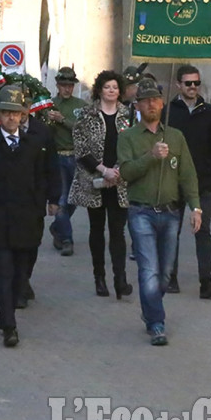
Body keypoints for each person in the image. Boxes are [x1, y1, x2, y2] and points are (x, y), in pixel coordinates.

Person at [0, 85, 59, 347]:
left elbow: (45, 174)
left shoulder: (34, 144)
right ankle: (8, 323)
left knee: (22, 271)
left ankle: (9, 308)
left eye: (15, 113)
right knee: (2, 273)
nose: (10, 118)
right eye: (5, 112)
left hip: (28, 218)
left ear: (22, 115)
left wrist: (46, 200)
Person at [118, 78, 201, 346]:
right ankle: (156, 323)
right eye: (145, 100)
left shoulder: (175, 137)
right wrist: (151, 156)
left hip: (170, 213)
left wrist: (195, 207)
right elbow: (126, 173)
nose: (151, 104)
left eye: (155, 99)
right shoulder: (128, 137)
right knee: (149, 270)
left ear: (162, 103)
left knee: (165, 273)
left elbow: (187, 174)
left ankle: (149, 305)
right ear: (138, 105)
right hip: (140, 211)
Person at [69, 70, 133, 299]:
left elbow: (134, 146)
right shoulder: (87, 115)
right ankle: (99, 277)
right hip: (94, 180)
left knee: (118, 231)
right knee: (97, 231)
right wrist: (103, 169)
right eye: (107, 87)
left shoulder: (128, 115)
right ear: (100, 90)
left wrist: (117, 170)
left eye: (115, 87)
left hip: (119, 181)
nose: (112, 91)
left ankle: (120, 279)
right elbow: (81, 149)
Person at [165, 65, 211, 298]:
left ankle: (206, 281)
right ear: (179, 84)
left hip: (202, 180)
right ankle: (170, 277)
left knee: (204, 230)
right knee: (173, 230)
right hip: (174, 179)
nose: (193, 87)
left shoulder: (207, 110)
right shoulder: (169, 111)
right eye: (188, 83)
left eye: (196, 83)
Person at [18, 105, 61, 307]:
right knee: (14, 243)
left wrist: (54, 199)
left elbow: (52, 166)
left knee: (32, 242)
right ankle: (18, 285)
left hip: (36, 198)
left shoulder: (42, 130)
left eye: (23, 106)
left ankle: (25, 276)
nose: (20, 111)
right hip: (11, 199)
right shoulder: (0, 131)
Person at [47, 66, 87, 256]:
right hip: (57, 157)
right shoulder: (49, 104)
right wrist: (49, 121)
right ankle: (66, 239)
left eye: (70, 86)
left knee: (74, 199)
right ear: (57, 85)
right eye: (63, 85)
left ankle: (57, 227)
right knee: (62, 199)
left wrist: (62, 120)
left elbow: (83, 130)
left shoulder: (80, 105)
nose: (67, 89)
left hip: (76, 156)